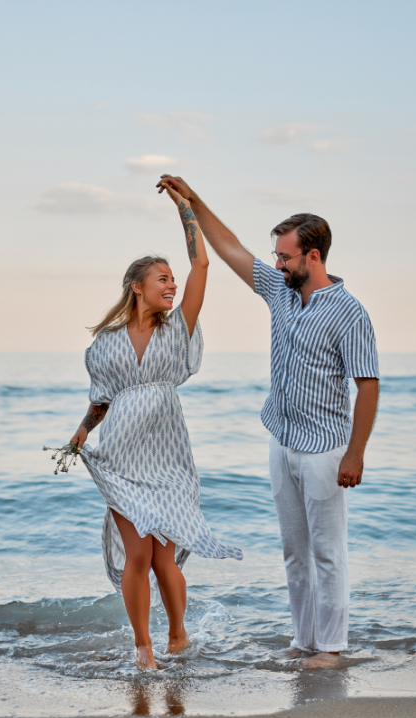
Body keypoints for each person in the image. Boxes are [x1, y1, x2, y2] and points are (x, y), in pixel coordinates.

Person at [156, 174, 379, 669]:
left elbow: (368, 384)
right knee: (294, 553)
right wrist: (192, 202)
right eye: (276, 255)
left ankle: (333, 647)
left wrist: (355, 452)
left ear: (313, 256)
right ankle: (303, 642)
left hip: (325, 448)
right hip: (282, 440)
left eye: (285, 256)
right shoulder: (280, 292)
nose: (276, 263)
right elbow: (231, 247)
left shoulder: (349, 313)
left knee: (327, 553)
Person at [68, 183, 242, 670]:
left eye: (172, 279)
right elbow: (101, 398)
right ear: (136, 287)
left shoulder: (178, 326)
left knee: (166, 558)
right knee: (137, 556)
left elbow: (201, 267)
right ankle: (143, 648)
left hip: (168, 456)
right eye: (161, 279)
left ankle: (179, 635)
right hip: (121, 456)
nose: (171, 285)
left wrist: (185, 209)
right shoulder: (106, 342)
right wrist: (82, 431)